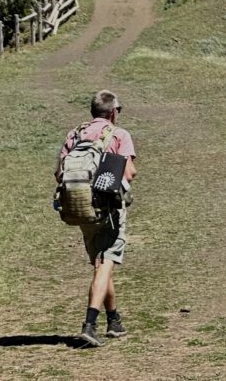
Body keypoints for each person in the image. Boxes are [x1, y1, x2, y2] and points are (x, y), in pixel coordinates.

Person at [55, 90, 138, 347]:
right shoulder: (119, 134)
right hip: (108, 211)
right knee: (106, 263)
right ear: (113, 112)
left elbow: (59, 173)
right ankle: (90, 324)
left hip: (80, 210)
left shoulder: (74, 134)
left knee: (102, 263)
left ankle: (114, 320)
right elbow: (130, 173)